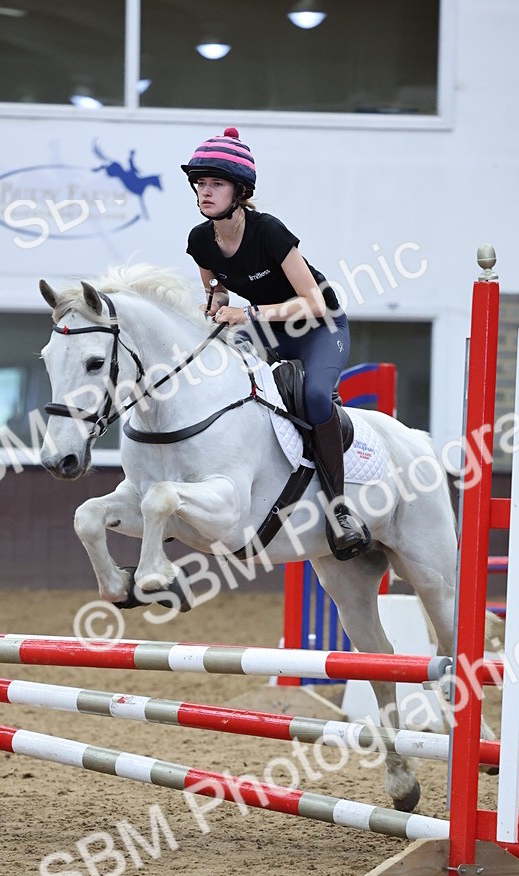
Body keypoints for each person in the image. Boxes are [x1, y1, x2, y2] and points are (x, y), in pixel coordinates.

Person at [182, 127, 370, 559]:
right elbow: (219, 291)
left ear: (240, 191)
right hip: (269, 331)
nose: (205, 192)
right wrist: (213, 304)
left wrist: (248, 314)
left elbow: (314, 302)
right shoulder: (199, 240)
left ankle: (340, 510)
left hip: (318, 328)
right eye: (201, 184)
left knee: (316, 397)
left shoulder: (269, 231)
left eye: (216, 184)